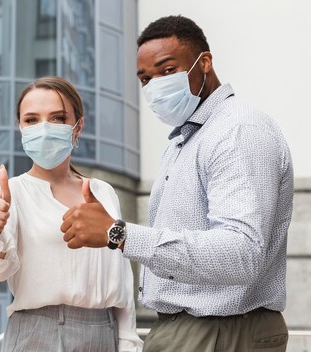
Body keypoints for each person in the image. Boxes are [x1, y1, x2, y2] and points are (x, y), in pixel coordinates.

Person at [60, 15, 292, 352]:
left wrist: (119, 234)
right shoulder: (185, 140)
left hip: (223, 331)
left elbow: (242, 253)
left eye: (167, 70)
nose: (154, 85)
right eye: (144, 79)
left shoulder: (237, 131)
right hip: (188, 328)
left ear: (205, 63)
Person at [0, 76, 142, 352]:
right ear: (20, 128)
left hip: (103, 332)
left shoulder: (104, 192)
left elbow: (122, 280)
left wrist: (128, 342)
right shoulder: (11, 192)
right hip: (36, 334)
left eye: (58, 118)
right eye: (31, 120)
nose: (44, 128)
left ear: (78, 127)